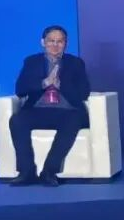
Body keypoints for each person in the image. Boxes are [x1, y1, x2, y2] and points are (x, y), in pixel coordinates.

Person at [10, 25, 91, 187]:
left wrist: (61, 85)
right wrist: (44, 83)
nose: (55, 45)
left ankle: (49, 172)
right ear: (43, 42)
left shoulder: (76, 63)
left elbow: (84, 93)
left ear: (66, 43)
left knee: (73, 120)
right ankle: (26, 172)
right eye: (51, 41)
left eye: (60, 41)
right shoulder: (31, 62)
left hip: (67, 111)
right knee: (17, 120)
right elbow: (20, 90)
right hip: (38, 110)